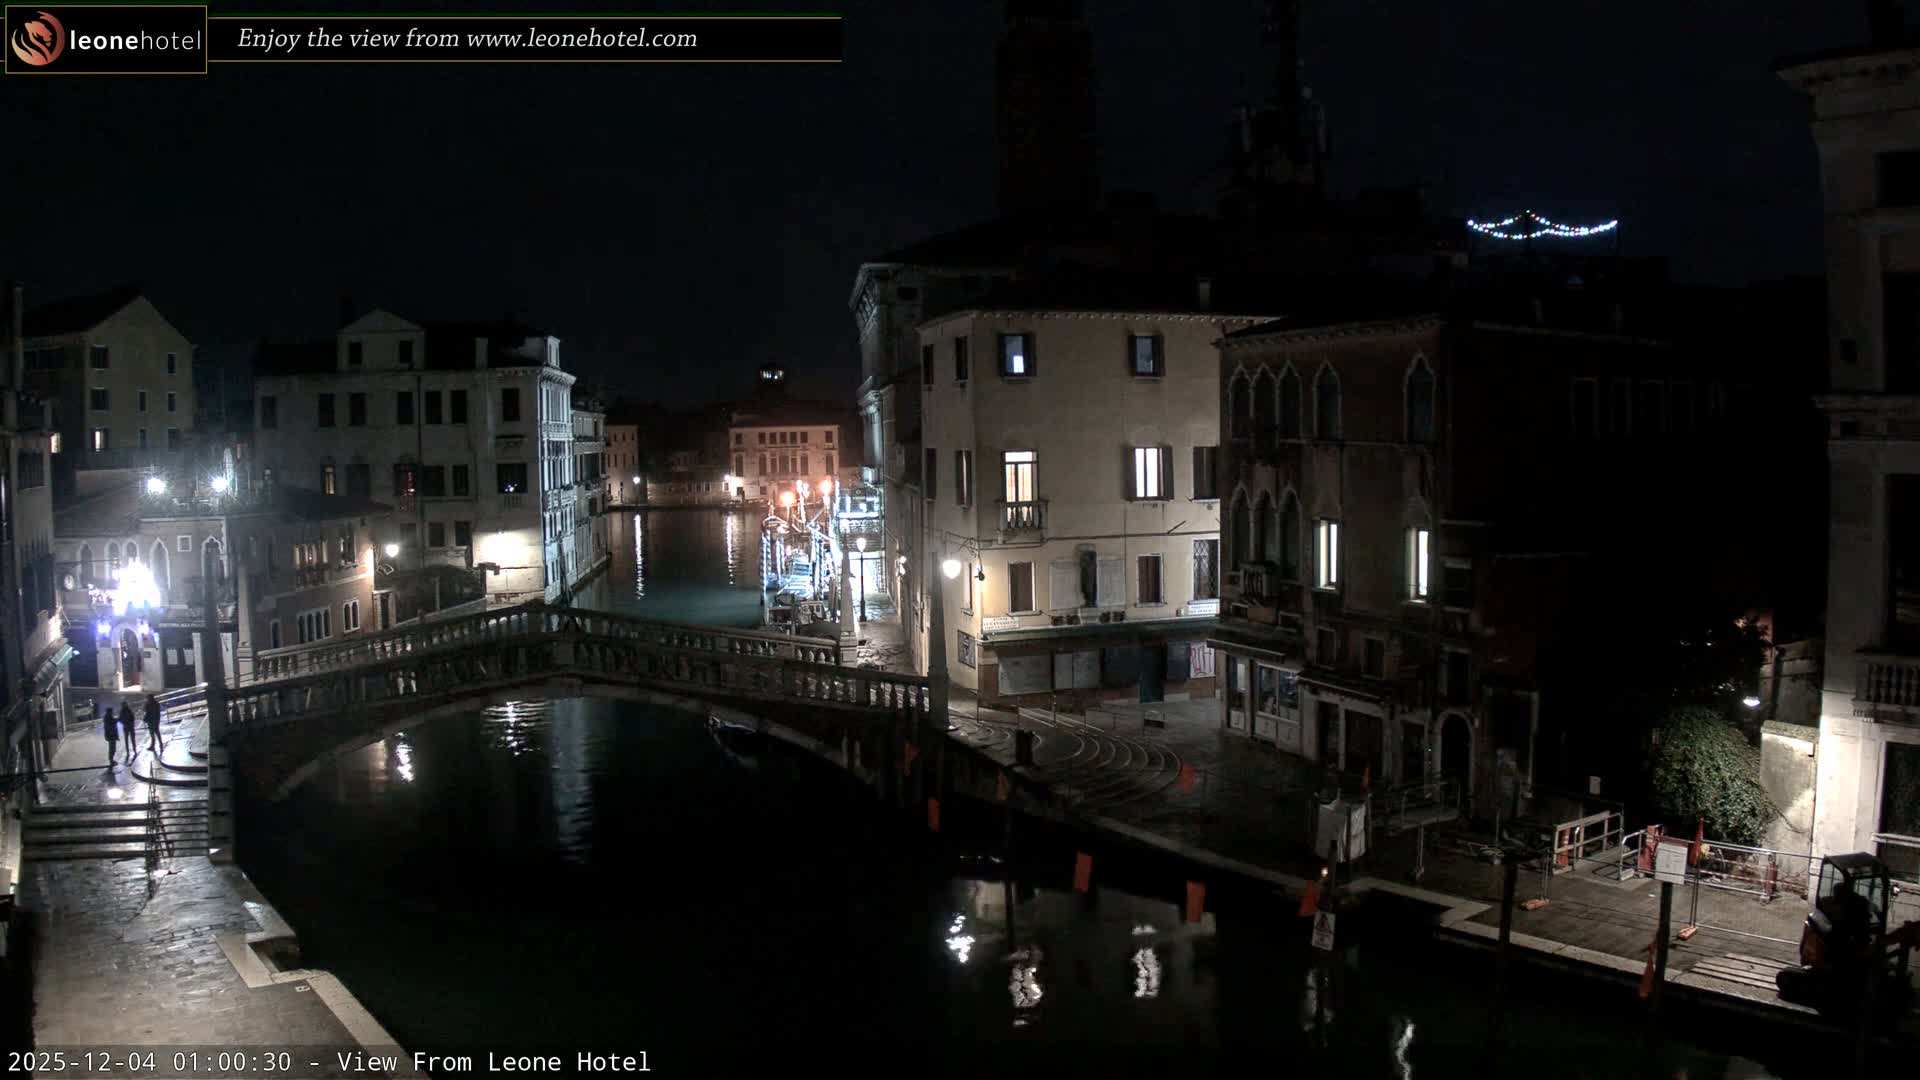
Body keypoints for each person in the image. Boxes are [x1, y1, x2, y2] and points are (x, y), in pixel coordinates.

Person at [117, 701, 137, 765]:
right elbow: (132, 718)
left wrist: (124, 722)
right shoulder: (126, 711)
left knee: (130, 739)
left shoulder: (126, 711)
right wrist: (125, 722)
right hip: (128, 726)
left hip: (128, 726)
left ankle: (132, 750)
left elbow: (132, 718)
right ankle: (131, 750)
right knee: (129, 739)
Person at [101, 702, 118, 766]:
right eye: (112, 711)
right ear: (109, 711)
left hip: (111, 735)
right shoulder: (108, 717)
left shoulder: (108, 717)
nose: (112, 712)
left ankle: (111, 760)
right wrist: (116, 720)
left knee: (112, 748)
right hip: (111, 735)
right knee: (112, 748)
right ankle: (111, 761)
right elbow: (111, 724)